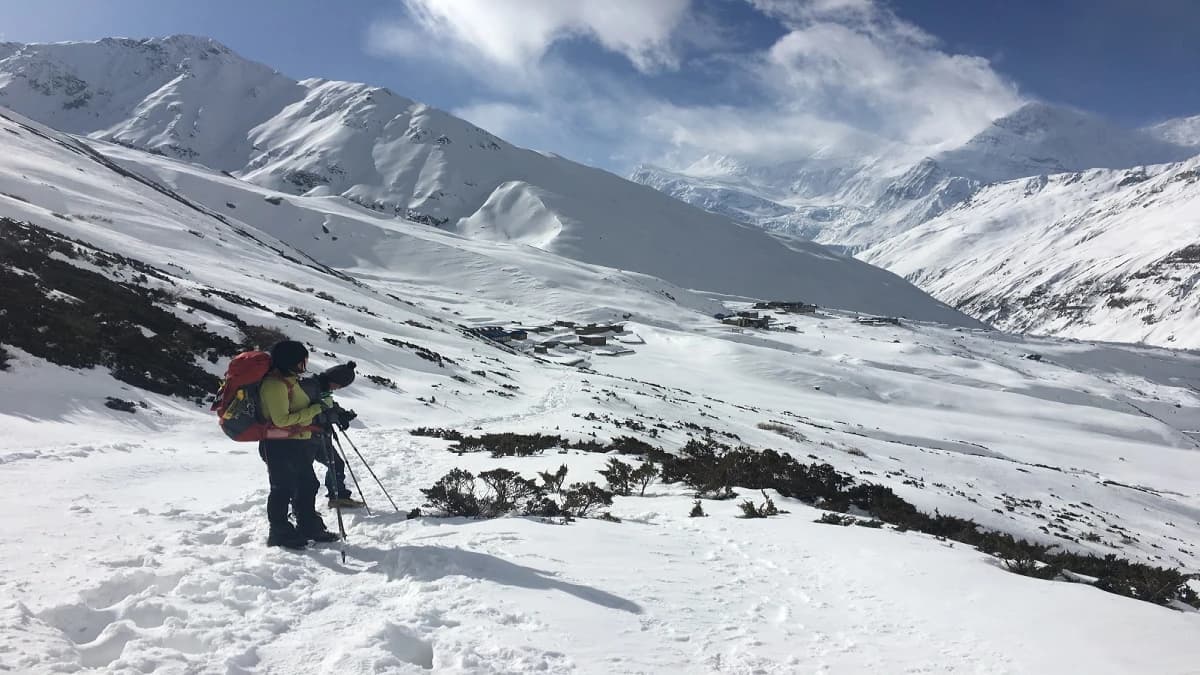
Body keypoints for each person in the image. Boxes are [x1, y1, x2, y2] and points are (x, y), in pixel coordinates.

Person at [259, 340, 340, 549]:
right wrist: (317, 410)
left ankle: (308, 525)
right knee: (282, 489)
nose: (304, 365)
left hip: (295, 443)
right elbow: (281, 420)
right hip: (279, 445)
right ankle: (279, 532)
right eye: (302, 361)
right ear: (291, 361)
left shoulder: (290, 381)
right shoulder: (275, 385)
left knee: (307, 485)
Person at [298, 361, 366, 509]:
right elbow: (309, 411)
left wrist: (341, 414)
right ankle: (302, 510)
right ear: (333, 379)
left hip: (320, 435)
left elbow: (328, 405)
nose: (338, 388)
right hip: (306, 437)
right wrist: (333, 417)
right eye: (339, 385)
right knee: (304, 474)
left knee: (336, 464)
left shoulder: (322, 388)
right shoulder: (310, 387)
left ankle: (338, 497)